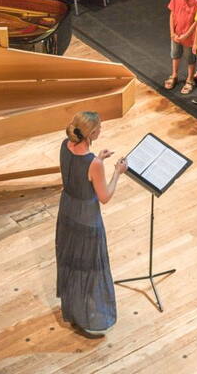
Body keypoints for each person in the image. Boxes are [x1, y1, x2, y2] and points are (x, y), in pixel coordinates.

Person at [55, 111, 126, 336]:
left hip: (67, 211)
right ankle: (88, 316)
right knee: (90, 267)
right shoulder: (93, 163)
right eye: (99, 128)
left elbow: (77, 175)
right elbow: (104, 197)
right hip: (87, 218)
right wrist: (116, 172)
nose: (101, 130)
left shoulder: (65, 145)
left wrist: (99, 160)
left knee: (73, 262)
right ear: (92, 133)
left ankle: (75, 310)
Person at [165, 0, 197, 91]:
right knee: (175, 55)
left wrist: (186, 35)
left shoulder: (196, 0)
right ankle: (174, 74)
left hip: (189, 37)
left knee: (190, 58)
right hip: (176, 35)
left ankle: (190, 79)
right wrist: (172, 32)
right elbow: (172, 14)